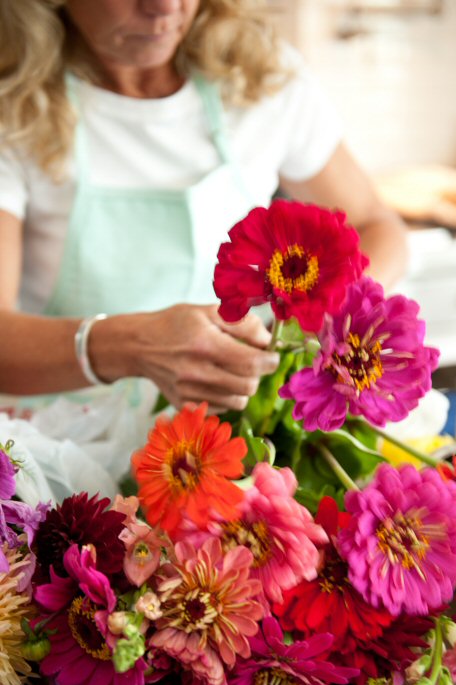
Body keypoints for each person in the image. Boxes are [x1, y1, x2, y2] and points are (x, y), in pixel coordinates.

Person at [0, 0, 408, 414]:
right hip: (58, 437)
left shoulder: (261, 74)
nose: (165, 7)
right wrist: (129, 345)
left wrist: (328, 319)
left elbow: (376, 225)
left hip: (229, 434)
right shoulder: (12, 103)